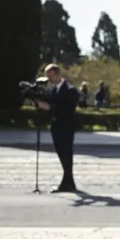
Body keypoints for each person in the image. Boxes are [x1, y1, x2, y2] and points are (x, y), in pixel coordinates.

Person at [35, 64, 80, 193]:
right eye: (46, 75)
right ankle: (69, 183)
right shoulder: (52, 89)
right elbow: (49, 102)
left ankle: (66, 184)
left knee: (66, 155)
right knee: (62, 155)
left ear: (57, 74)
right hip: (55, 126)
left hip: (66, 127)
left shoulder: (70, 89)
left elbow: (68, 110)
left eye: (50, 75)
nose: (48, 78)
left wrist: (49, 108)